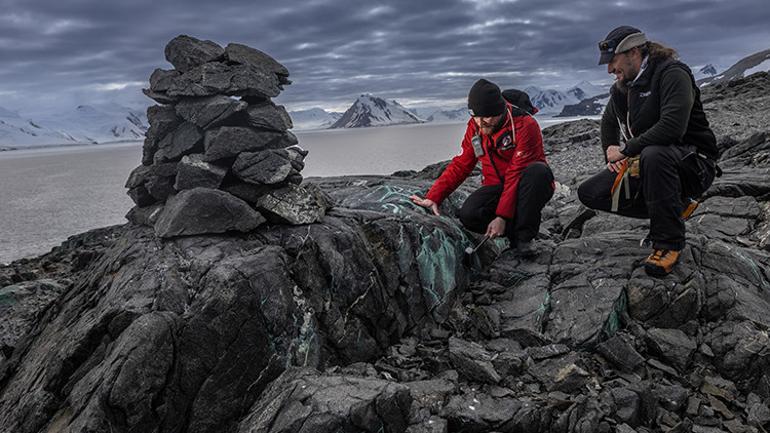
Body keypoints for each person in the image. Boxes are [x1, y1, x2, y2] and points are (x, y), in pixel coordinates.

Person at [577, 26, 719, 276]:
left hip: (694, 163)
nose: (610, 69)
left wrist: (626, 150)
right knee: (590, 192)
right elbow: (609, 120)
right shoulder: (624, 86)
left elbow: (672, 127)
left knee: (654, 154)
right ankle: (674, 206)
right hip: (653, 167)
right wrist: (609, 150)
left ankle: (668, 243)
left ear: (633, 52)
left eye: (613, 61)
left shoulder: (671, 73)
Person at [410, 79, 555, 255]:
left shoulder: (525, 125)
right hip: (497, 187)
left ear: (500, 111)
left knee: (537, 171)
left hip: (528, 186)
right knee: (469, 215)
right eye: (475, 116)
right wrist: (434, 196)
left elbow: (515, 174)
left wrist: (502, 216)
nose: (480, 122)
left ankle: (524, 238)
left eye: (486, 117)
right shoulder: (476, 125)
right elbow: (462, 163)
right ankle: (511, 230)